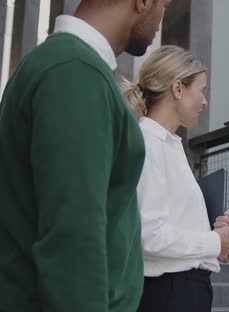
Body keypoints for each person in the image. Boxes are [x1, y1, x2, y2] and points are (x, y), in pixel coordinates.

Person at [0, 0, 172, 311]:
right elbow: (73, 236)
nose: (162, 16)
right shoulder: (75, 72)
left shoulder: (70, 67)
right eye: (164, 4)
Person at [121, 45, 229, 312]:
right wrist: (214, 241)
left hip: (180, 290)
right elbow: (148, 237)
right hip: (168, 293)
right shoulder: (149, 144)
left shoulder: (168, 145)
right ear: (178, 89)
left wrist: (214, 234)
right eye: (201, 90)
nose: (205, 101)